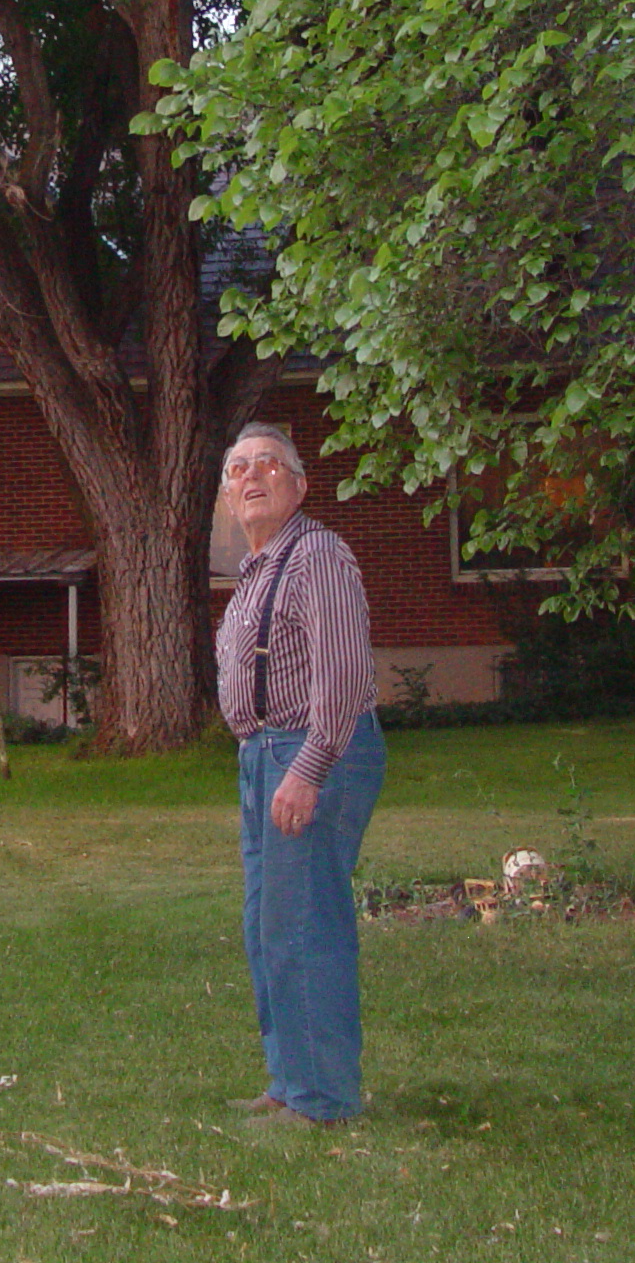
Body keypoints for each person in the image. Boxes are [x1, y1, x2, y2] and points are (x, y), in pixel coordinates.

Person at [214, 421, 384, 1126]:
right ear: (227, 497)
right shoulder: (256, 570)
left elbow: (342, 676)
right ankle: (290, 1081)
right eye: (237, 469)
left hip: (312, 751)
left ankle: (323, 1100)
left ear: (300, 485)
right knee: (268, 926)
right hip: (264, 756)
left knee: (304, 924)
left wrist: (308, 767)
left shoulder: (317, 555)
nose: (250, 477)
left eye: (268, 465)